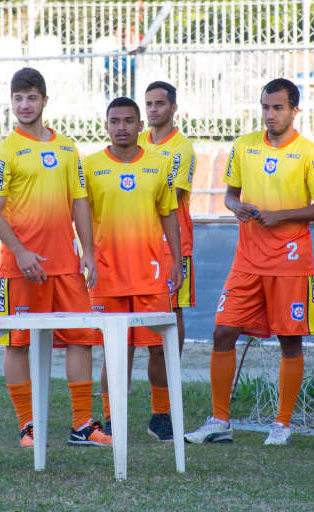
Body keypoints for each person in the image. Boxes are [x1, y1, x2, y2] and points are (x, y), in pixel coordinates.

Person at [184, 78, 314, 446]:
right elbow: (230, 196)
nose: (270, 114)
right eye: (265, 107)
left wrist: (281, 216)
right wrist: (238, 208)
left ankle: (282, 424)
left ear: (295, 110)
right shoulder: (243, 146)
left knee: (290, 341)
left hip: (290, 261)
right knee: (222, 332)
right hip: (247, 260)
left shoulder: (310, 153)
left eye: (278, 107)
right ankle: (220, 420)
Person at [0, 67, 109, 448]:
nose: (24, 105)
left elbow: (80, 202)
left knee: (81, 338)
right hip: (23, 267)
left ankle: (83, 425)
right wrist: (20, 252)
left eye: (31, 98)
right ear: (11, 102)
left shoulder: (67, 147)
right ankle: (27, 426)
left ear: (44, 100)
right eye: (18, 98)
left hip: (66, 266)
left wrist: (87, 250)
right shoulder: (6, 150)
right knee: (17, 342)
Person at [85, 97, 182, 440]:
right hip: (107, 273)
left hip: (150, 273)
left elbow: (168, 213)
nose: (122, 127)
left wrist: (177, 261)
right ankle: (112, 419)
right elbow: (81, 217)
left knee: (157, 346)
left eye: (129, 121)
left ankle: (161, 416)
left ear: (141, 126)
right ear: (106, 125)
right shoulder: (91, 166)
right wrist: (85, 255)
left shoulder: (159, 163)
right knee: (115, 348)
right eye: (115, 121)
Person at [138, 81, 196, 353]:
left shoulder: (182, 149)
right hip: (138, 241)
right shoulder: (137, 142)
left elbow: (170, 196)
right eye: (148, 104)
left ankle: (171, 368)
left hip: (171, 244)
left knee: (173, 309)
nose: (153, 109)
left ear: (173, 108)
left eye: (159, 104)